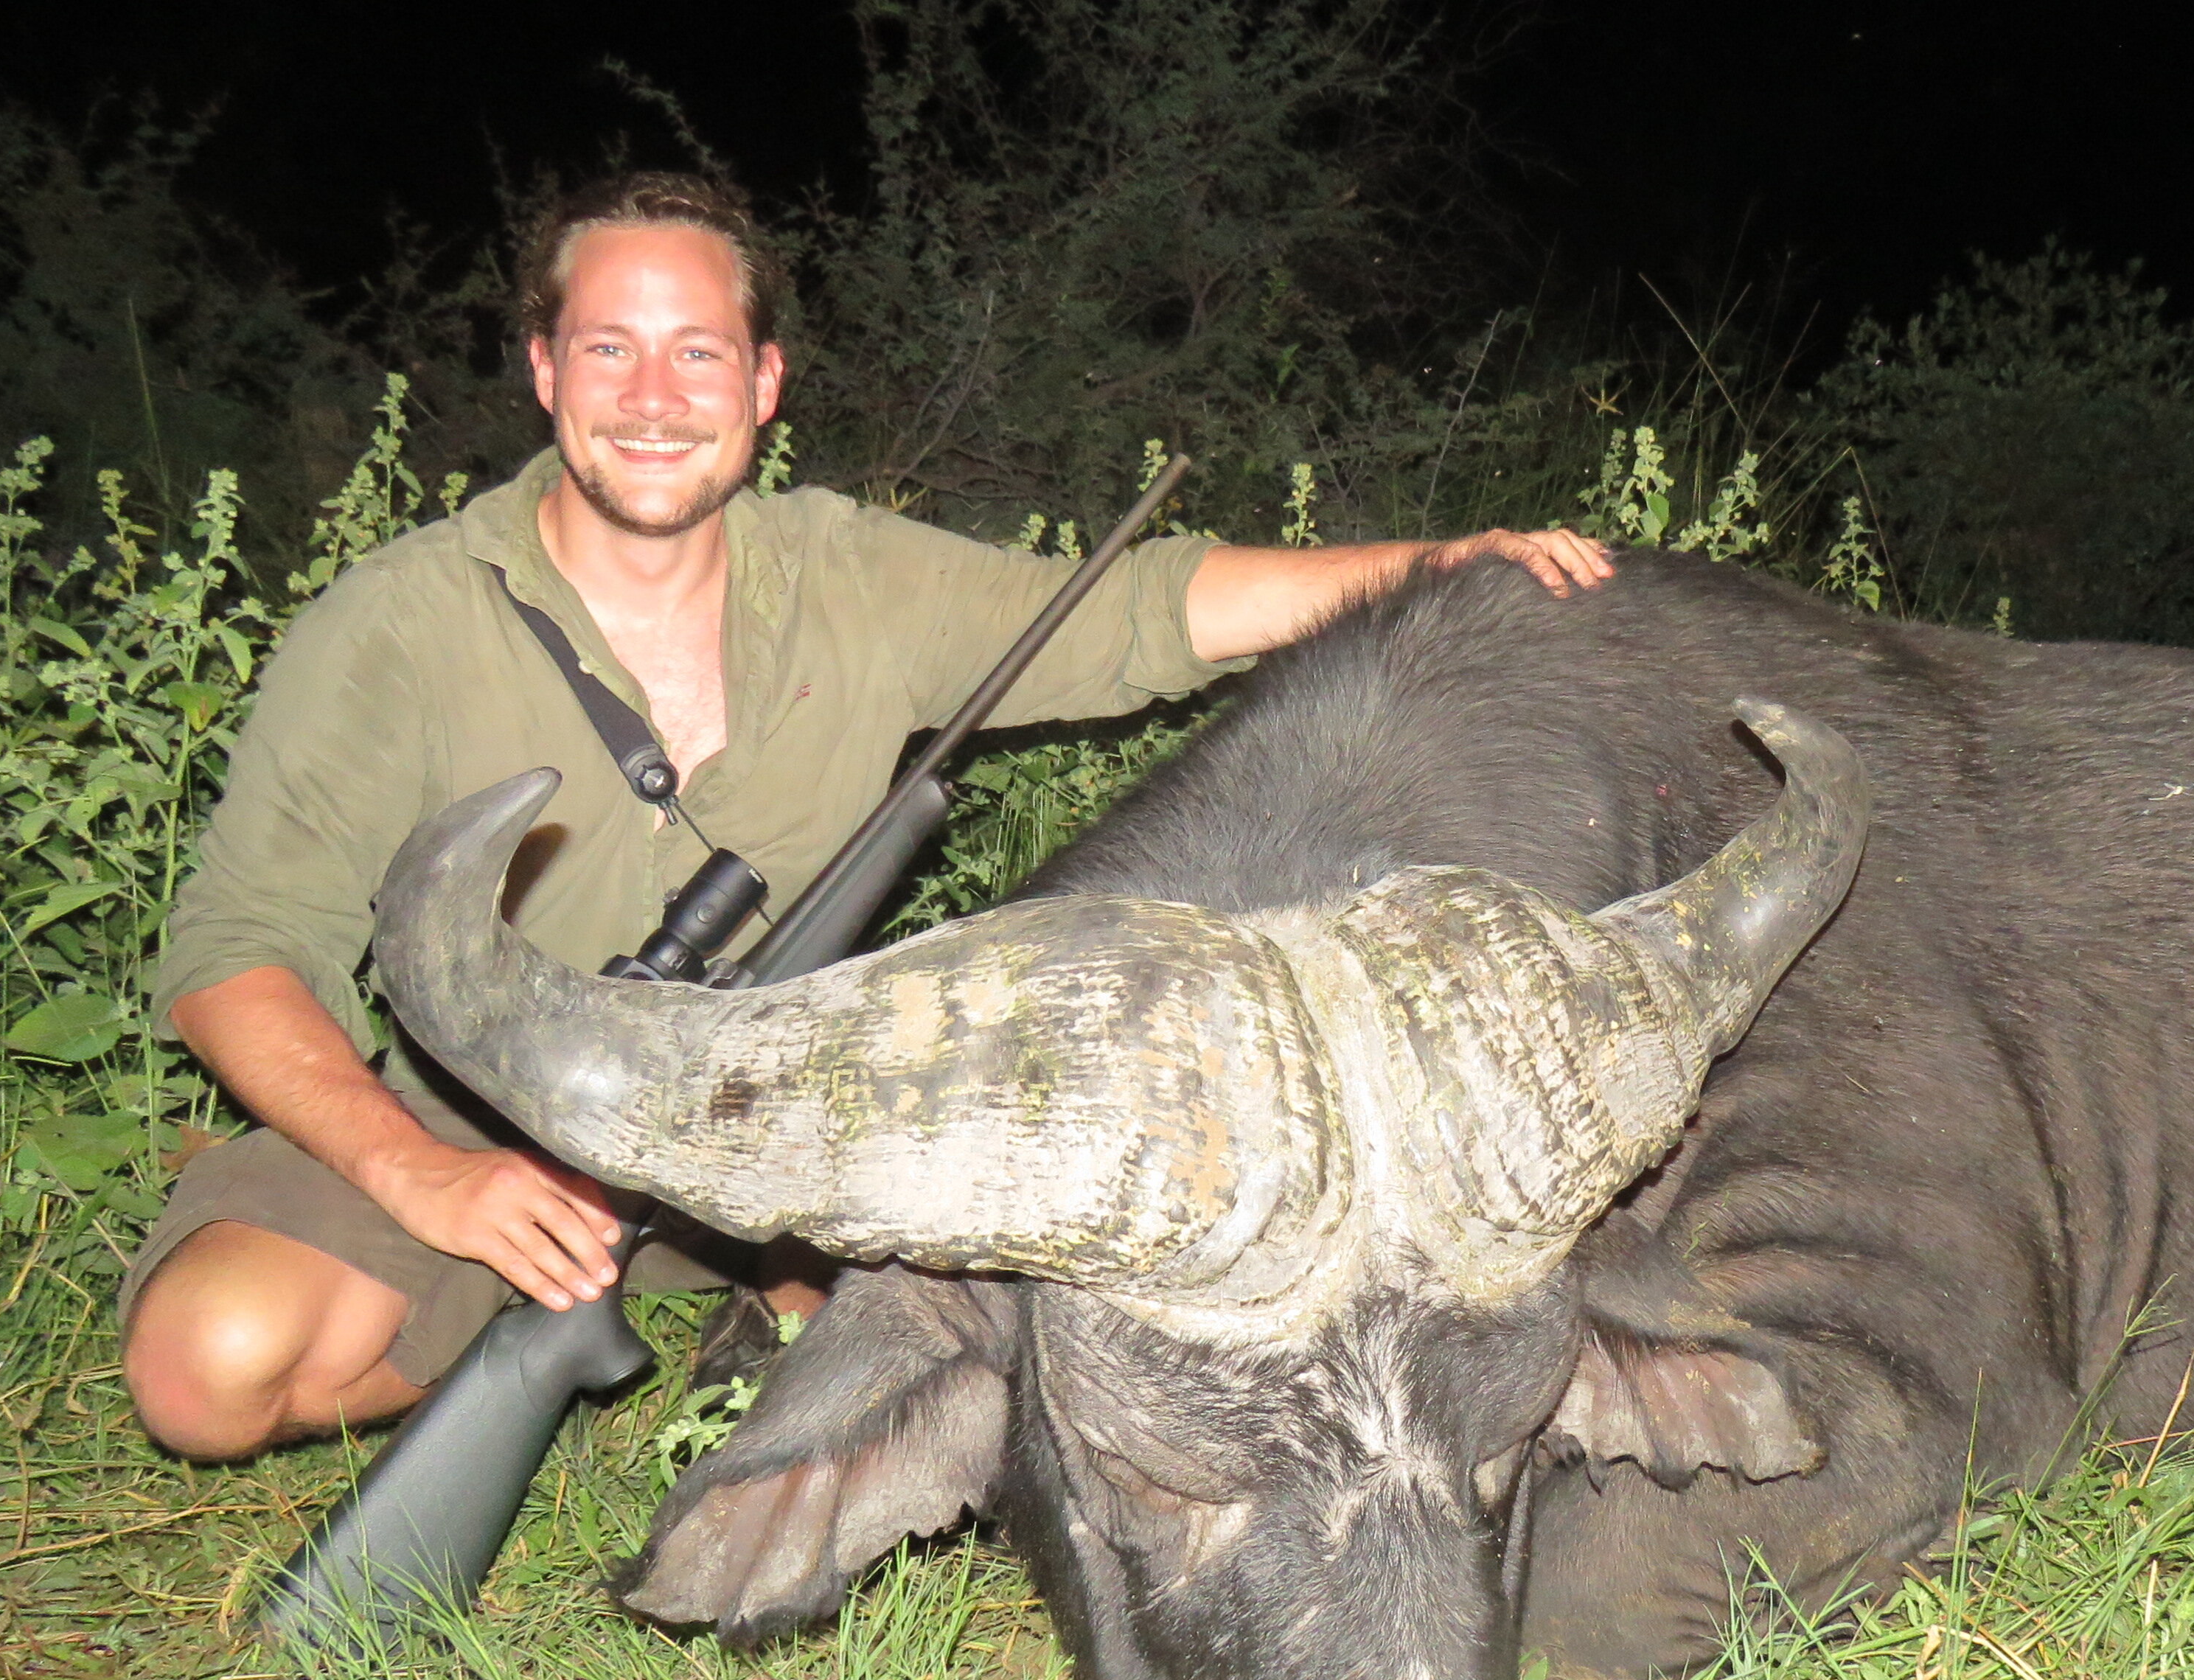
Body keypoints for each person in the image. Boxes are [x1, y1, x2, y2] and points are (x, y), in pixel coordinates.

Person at [119, 172, 1609, 1463]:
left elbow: (1143, 614)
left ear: (763, 384)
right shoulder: (398, 624)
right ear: (545, 373)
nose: (653, 397)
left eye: (698, 351)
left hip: (788, 1114)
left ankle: (754, 1298)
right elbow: (234, 955)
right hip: (490, 1118)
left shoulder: (848, 574)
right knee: (206, 1370)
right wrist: (430, 1182)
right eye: (610, 350)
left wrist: (1440, 563)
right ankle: (556, 1329)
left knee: (1052, 1374)